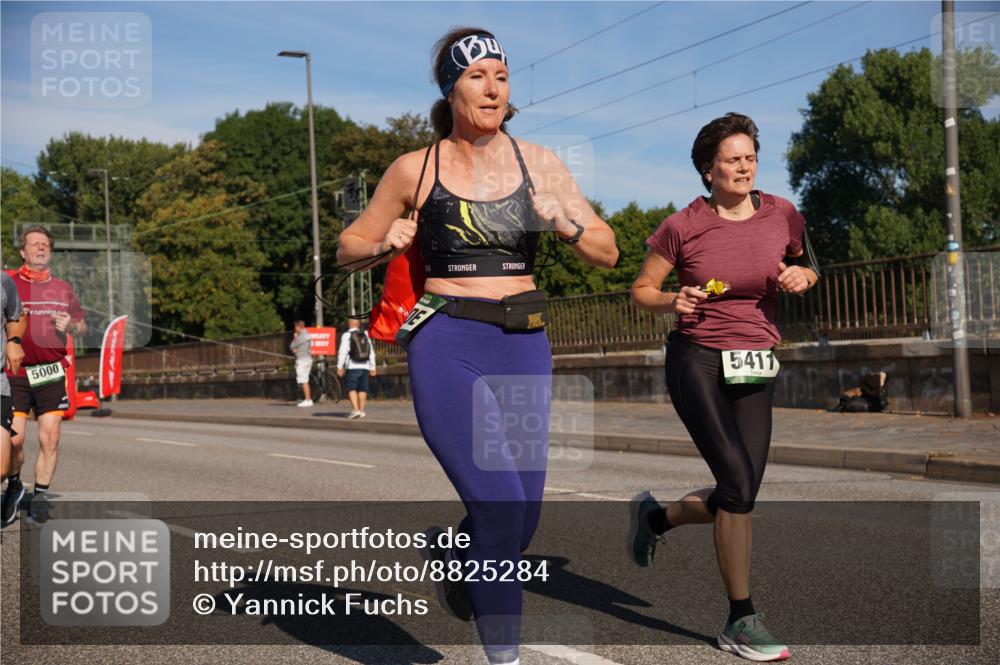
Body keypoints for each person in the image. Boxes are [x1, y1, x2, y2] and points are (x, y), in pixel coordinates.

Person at [337, 27, 617, 665]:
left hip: (523, 343)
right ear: (450, 89)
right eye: (477, 76)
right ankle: (503, 657)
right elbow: (348, 248)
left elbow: (608, 252)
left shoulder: (539, 163)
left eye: (502, 76)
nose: (493, 89)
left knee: (523, 518)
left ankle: (457, 556)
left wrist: (565, 224)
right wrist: (383, 242)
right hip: (448, 340)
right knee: (498, 506)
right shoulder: (414, 168)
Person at [628, 113, 819, 662]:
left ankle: (657, 518)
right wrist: (673, 299)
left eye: (750, 157)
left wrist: (803, 276)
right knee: (735, 482)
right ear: (707, 169)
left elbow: (807, 265)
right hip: (697, 360)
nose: (744, 166)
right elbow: (641, 289)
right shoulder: (682, 225)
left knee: (742, 492)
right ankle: (741, 619)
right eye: (732, 159)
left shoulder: (783, 213)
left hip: (755, 359)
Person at [2, 226, 87, 525]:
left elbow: (82, 326)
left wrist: (72, 326)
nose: (41, 248)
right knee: (14, 441)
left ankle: (39, 497)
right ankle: (14, 484)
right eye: (35, 244)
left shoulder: (63, 288)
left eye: (45, 244)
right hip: (14, 372)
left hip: (50, 371)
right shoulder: (8, 283)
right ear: (22, 251)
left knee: (50, 437)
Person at [2, 273, 26, 490]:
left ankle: (14, 485)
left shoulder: (4, 281)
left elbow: (16, 317)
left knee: (1, 468)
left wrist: (14, 341)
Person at [335, 318, 376, 420]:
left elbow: (343, 351)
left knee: (351, 388)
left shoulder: (347, 335)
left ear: (349, 324)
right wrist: (373, 366)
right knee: (363, 388)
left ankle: (355, 410)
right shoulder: (365, 334)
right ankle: (361, 411)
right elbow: (371, 351)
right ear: (358, 324)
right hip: (365, 366)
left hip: (352, 366)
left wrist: (340, 366)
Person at [290, 320, 314, 407]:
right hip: (308, 358)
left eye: (295, 327)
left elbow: (292, 346)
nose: (294, 329)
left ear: (298, 327)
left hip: (302, 360)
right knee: (305, 380)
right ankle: (307, 398)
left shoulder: (300, 337)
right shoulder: (307, 335)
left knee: (303, 380)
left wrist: (295, 338)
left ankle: (308, 399)